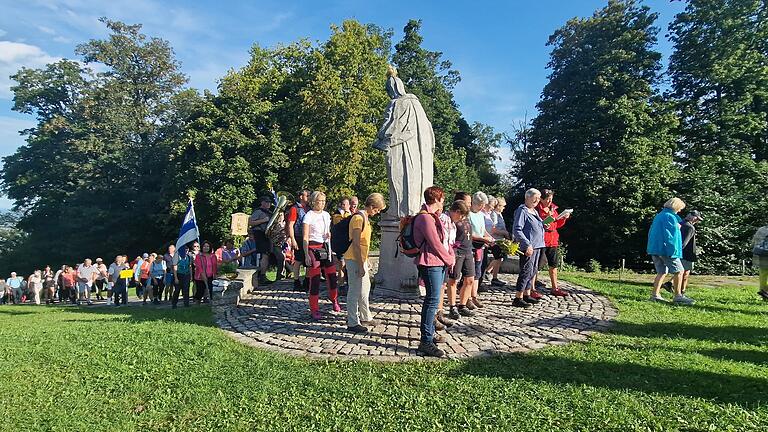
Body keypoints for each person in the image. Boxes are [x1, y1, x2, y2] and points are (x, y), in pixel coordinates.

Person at [413, 186, 455, 357]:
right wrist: (449, 259)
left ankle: (430, 335)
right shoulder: (425, 218)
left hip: (437, 262)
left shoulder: (432, 216)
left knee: (433, 300)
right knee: (431, 301)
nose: (443, 202)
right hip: (430, 263)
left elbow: (443, 241)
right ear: (437, 199)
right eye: (443, 199)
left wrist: (448, 255)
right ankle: (426, 341)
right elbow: (435, 243)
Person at [345, 193, 386, 333]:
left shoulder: (365, 218)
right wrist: (360, 264)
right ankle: (352, 322)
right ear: (372, 206)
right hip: (354, 258)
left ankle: (365, 316)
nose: (378, 212)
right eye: (377, 209)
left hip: (361, 258)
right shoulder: (358, 218)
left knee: (364, 289)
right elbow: (356, 244)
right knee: (354, 290)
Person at [647, 197, 694, 305]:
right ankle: (678, 296)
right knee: (679, 271)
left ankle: (655, 295)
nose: (680, 211)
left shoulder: (659, 216)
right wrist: (673, 250)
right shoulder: (670, 217)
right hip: (667, 249)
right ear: (676, 206)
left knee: (661, 272)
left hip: (655, 248)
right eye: (680, 208)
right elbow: (670, 236)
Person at [303, 191, 340, 320]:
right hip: (313, 247)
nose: (323, 204)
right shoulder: (309, 216)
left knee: (332, 276)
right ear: (314, 202)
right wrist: (306, 254)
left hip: (325, 246)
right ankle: (314, 308)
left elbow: (327, 231)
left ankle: (334, 300)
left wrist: (329, 235)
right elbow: (305, 237)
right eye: (320, 201)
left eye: (324, 201)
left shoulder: (326, 215)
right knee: (315, 280)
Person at [512, 188, 546, 308]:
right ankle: (518, 297)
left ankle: (526, 294)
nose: (537, 200)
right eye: (534, 198)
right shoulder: (523, 210)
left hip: (538, 245)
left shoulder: (534, 211)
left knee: (533, 271)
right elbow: (517, 229)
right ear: (527, 197)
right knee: (526, 271)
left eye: (538, 198)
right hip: (529, 246)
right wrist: (526, 244)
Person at [533, 189, 571, 297]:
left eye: (551, 199)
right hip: (541, 240)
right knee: (537, 264)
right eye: (548, 199)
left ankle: (555, 288)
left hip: (553, 240)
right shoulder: (537, 209)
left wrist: (563, 218)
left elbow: (557, 224)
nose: (550, 201)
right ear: (541, 199)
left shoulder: (553, 208)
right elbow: (539, 224)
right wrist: (549, 218)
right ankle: (532, 288)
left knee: (553, 264)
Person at [464, 192, 493, 310]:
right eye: (481, 204)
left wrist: (489, 237)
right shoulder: (469, 215)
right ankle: (467, 298)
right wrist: (483, 238)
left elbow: (483, 230)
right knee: (470, 274)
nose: (482, 207)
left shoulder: (481, 214)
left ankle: (474, 295)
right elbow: (469, 233)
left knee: (478, 272)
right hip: (471, 246)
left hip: (480, 246)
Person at [445, 199, 473, 319]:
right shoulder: (451, 220)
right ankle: (452, 306)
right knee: (453, 280)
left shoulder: (465, 219)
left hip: (468, 251)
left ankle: (462, 305)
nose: (463, 217)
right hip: (457, 252)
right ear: (457, 211)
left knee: (470, 279)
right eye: (461, 214)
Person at [285, 189, 310, 291]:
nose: (308, 197)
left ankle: (307, 280)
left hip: (308, 237)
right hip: (299, 236)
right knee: (299, 260)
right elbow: (290, 225)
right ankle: (296, 281)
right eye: (307, 195)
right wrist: (293, 239)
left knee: (309, 261)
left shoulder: (309, 209)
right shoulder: (295, 209)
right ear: (301, 196)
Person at [249, 196, 274, 285]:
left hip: (267, 234)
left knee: (267, 255)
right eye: (266, 202)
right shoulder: (258, 211)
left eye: (269, 202)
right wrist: (263, 220)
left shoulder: (270, 212)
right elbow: (250, 222)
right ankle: (262, 276)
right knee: (265, 255)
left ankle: (263, 275)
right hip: (260, 233)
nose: (268, 204)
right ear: (262, 202)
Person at [679, 210, 703, 294]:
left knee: (680, 272)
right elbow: (684, 243)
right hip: (687, 253)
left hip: (680, 252)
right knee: (685, 274)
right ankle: (681, 291)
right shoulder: (690, 227)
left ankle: (677, 289)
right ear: (690, 216)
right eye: (696, 218)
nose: (697, 221)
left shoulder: (680, 223)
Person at [333, 197, 352, 291]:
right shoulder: (337, 214)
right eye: (343, 204)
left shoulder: (350, 214)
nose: (345, 206)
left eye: (347, 204)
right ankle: (341, 284)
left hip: (348, 242)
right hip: (340, 242)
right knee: (341, 264)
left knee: (348, 265)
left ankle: (348, 283)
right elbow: (341, 225)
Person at [752, 224, 768, 300]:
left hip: (763, 255)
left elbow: (754, 241)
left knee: (763, 274)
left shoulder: (762, 229)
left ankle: (763, 292)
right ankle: (766, 291)